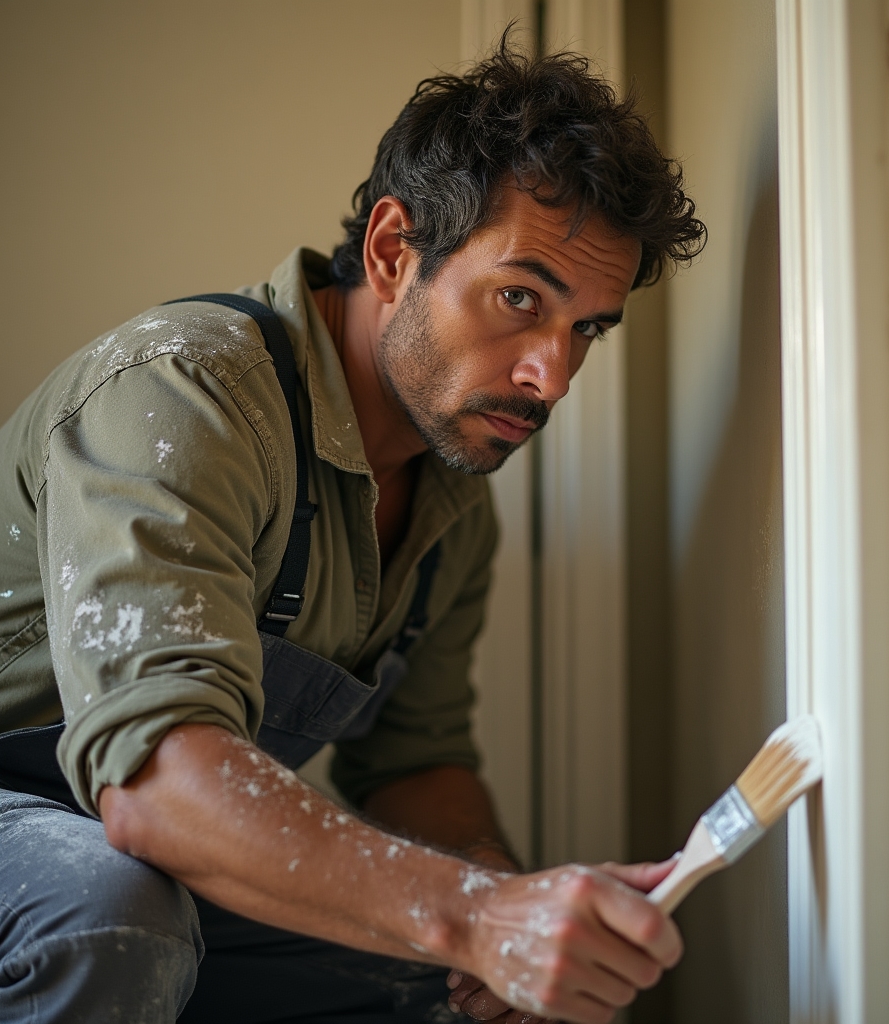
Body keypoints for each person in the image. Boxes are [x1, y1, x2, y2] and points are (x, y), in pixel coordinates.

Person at [0, 38, 704, 1024]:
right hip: (72, 835)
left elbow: (414, 760)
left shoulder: (453, 505)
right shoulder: (184, 392)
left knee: (453, 988)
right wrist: (470, 915)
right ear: (391, 251)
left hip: (150, 849)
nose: (551, 375)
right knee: (109, 919)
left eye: (586, 326)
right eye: (520, 298)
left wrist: (497, 899)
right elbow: (157, 782)